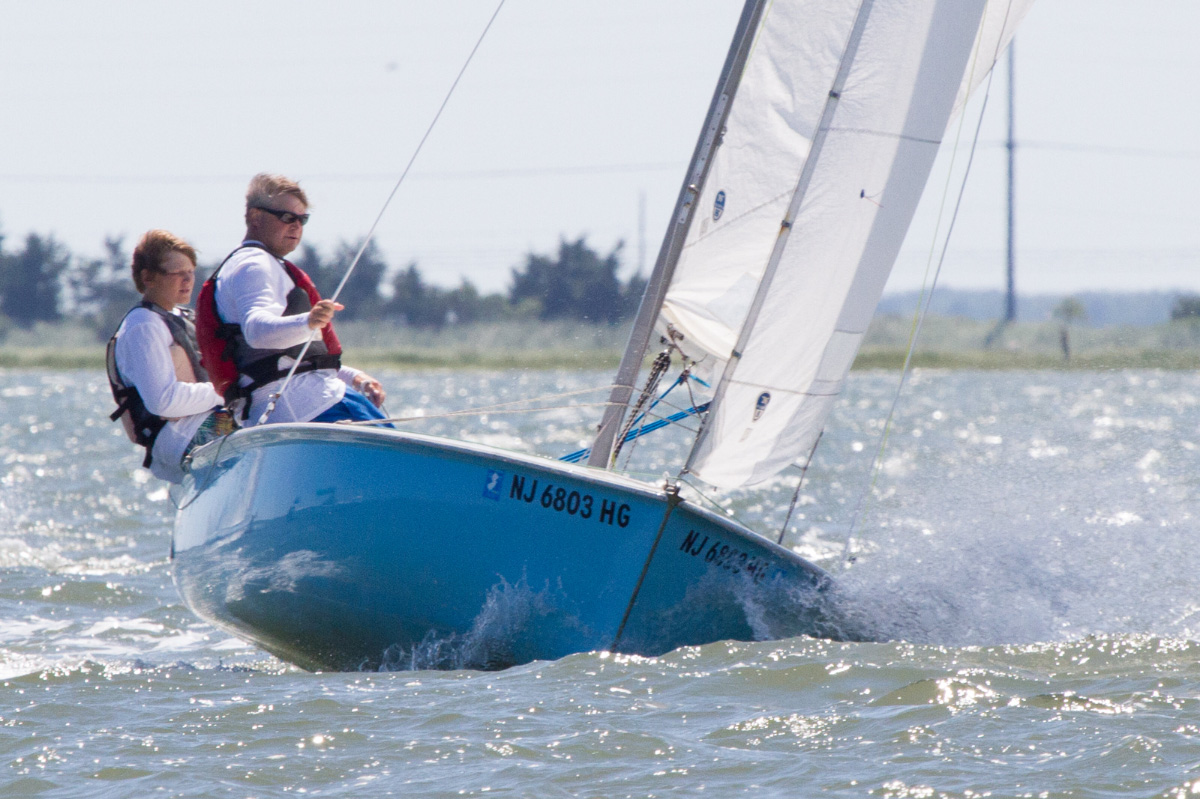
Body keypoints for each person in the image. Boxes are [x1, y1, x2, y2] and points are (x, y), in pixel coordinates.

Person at [195, 172, 387, 425]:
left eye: (302, 219)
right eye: (287, 217)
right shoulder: (254, 264)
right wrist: (309, 321)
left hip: (287, 407)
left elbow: (289, 359)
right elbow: (257, 332)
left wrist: (353, 377)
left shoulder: (259, 264)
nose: (296, 226)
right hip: (308, 406)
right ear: (255, 217)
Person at [107, 230, 234, 484]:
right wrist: (228, 390)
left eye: (191, 272)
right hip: (177, 437)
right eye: (177, 273)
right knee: (262, 426)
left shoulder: (177, 316)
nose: (187, 280)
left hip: (199, 424)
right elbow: (162, 403)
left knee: (268, 407)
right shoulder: (144, 325)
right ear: (148, 277)